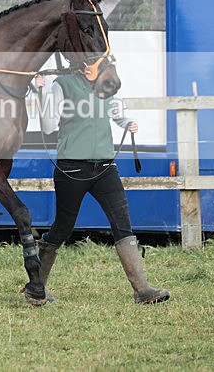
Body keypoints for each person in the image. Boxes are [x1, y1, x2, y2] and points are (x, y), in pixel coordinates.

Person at [34, 72, 169, 304]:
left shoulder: (108, 82)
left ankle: (142, 290)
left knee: (122, 223)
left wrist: (128, 122)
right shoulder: (62, 84)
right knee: (62, 228)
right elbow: (48, 127)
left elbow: (118, 114)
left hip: (106, 167)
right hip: (72, 168)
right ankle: (37, 287)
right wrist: (42, 93)